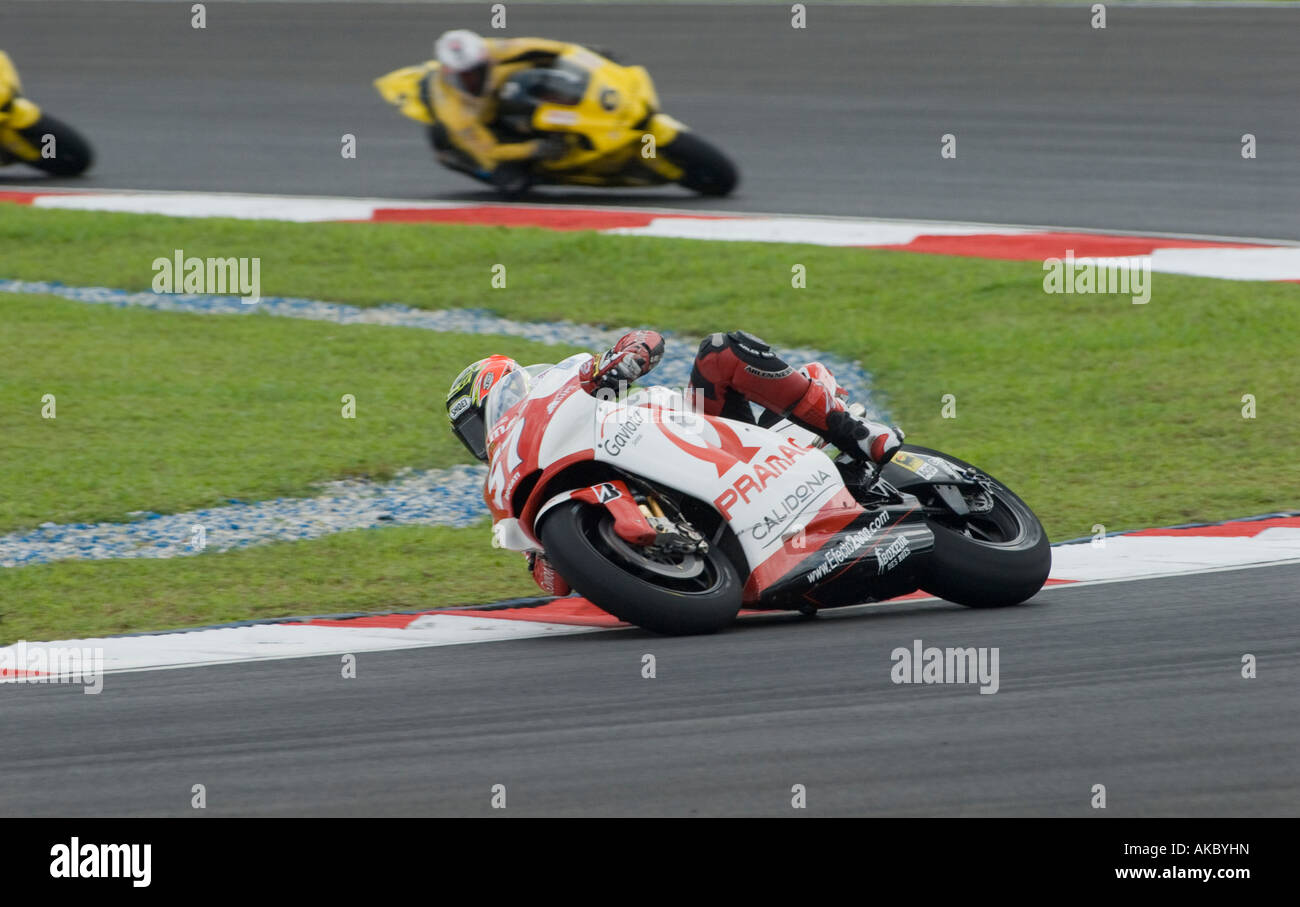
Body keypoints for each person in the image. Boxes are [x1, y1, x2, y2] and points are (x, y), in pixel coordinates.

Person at [445, 330, 905, 595]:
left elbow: (645, 340)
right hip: (688, 493)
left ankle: (858, 435)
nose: (483, 433)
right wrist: (548, 549)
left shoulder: (563, 385)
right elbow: (554, 584)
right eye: (471, 434)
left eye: (484, 413)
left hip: (707, 431)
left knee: (719, 349)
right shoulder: (509, 483)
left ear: (512, 387)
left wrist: (629, 356)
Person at [428, 29, 581, 195]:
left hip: (497, 97)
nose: (475, 78)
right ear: (452, 76)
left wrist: (581, 53)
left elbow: (544, 47)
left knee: (539, 65)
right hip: (482, 127)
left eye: (478, 69)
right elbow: (491, 150)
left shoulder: (492, 50)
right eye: (466, 76)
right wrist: (534, 149)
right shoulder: (455, 114)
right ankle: (463, 163)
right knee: (512, 182)